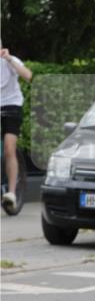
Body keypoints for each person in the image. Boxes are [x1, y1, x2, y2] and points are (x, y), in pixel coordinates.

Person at [1, 43, 32, 211]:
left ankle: (12, 193)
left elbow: (29, 76)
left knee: (8, 148)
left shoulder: (10, 61)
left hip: (11, 106)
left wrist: (9, 59)